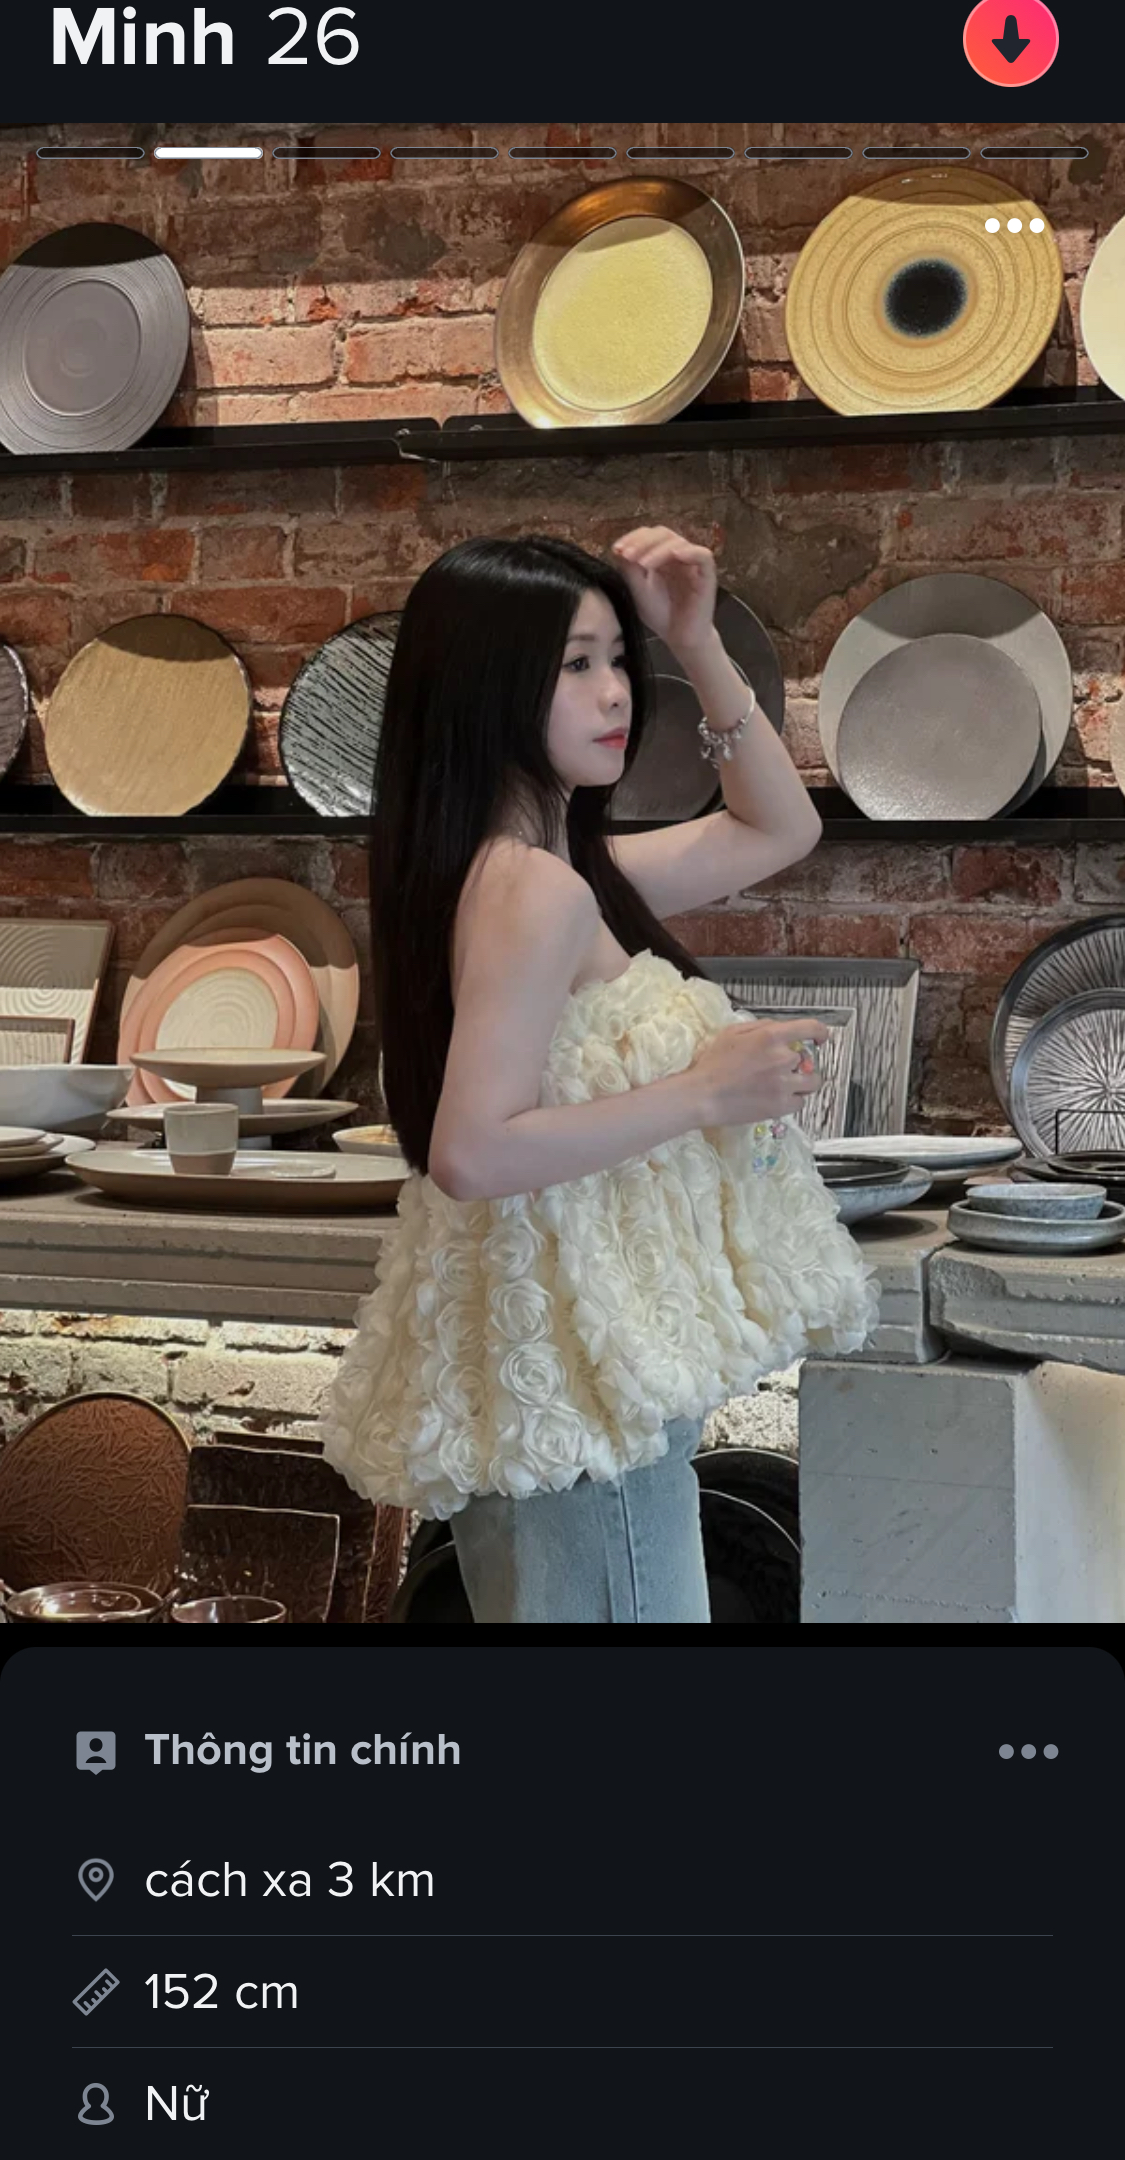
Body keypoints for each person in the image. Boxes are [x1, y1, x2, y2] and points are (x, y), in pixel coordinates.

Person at [317, 525, 881, 1621]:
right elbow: (471, 1151)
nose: (616, 690)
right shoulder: (537, 891)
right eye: (576, 664)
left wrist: (695, 641)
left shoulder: (528, 872)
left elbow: (781, 826)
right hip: (582, 1393)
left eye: (619, 658)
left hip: (563, 1376)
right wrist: (705, 1091)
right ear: (486, 687)